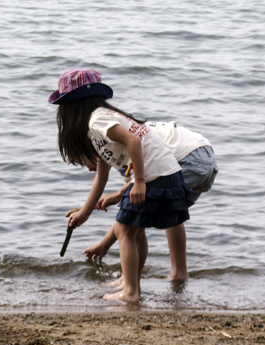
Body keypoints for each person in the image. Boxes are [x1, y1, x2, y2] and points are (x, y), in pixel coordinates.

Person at [51, 68, 196, 303]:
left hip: (152, 177)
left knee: (123, 230)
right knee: (135, 231)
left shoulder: (97, 120)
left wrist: (138, 182)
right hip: (168, 174)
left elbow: (133, 140)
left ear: (71, 107)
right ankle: (132, 286)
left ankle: (130, 292)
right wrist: (84, 212)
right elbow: (102, 175)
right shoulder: (104, 119)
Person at [83, 121, 219, 282]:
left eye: (79, 161)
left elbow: (132, 209)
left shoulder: (115, 144)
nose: (87, 168)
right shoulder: (122, 136)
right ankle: (178, 273)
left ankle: (129, 282)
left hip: (188, 158)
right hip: (205, 155)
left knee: (137, 217)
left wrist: (105, 243)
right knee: (171, 210)